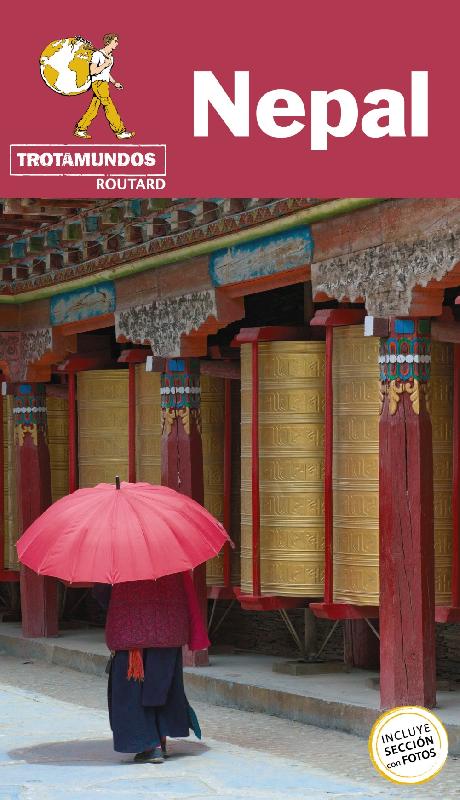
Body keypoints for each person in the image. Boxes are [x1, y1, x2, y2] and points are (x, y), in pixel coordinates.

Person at [93, 571, 209, 763]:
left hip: (131, 631)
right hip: (167, 630)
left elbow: (102, 592)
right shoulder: (171, 558)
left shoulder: (118, 559)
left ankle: (149, 745)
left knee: (133, 692)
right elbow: (185, 591)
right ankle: (160, 740)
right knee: (161, 687)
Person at [74, 33, 135, 140]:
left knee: (94, 107)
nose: (117, 43)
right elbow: (93, 71)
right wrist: (104, 65)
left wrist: (114, 82)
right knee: (109, 105)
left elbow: (106, 73)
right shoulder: (97, 54)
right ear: (108, 42)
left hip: (104, 83)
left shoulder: (111, 57)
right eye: (115, 41)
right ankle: (120, 131)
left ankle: (81, 129)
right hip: (98, 83)